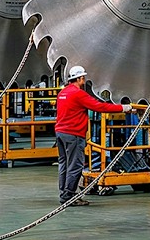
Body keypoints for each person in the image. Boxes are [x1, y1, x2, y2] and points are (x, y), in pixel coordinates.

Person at [56, 65, 132, 206]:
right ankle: (68, 197)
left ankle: (64, 193)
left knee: (64, 164)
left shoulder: (63, 93)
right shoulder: (78, 94)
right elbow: (99, 107)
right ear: (79, 78)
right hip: (73, 134)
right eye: (83, 78)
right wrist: (123, 108)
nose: (84, 81)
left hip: (60, 133)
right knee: (75, 165)